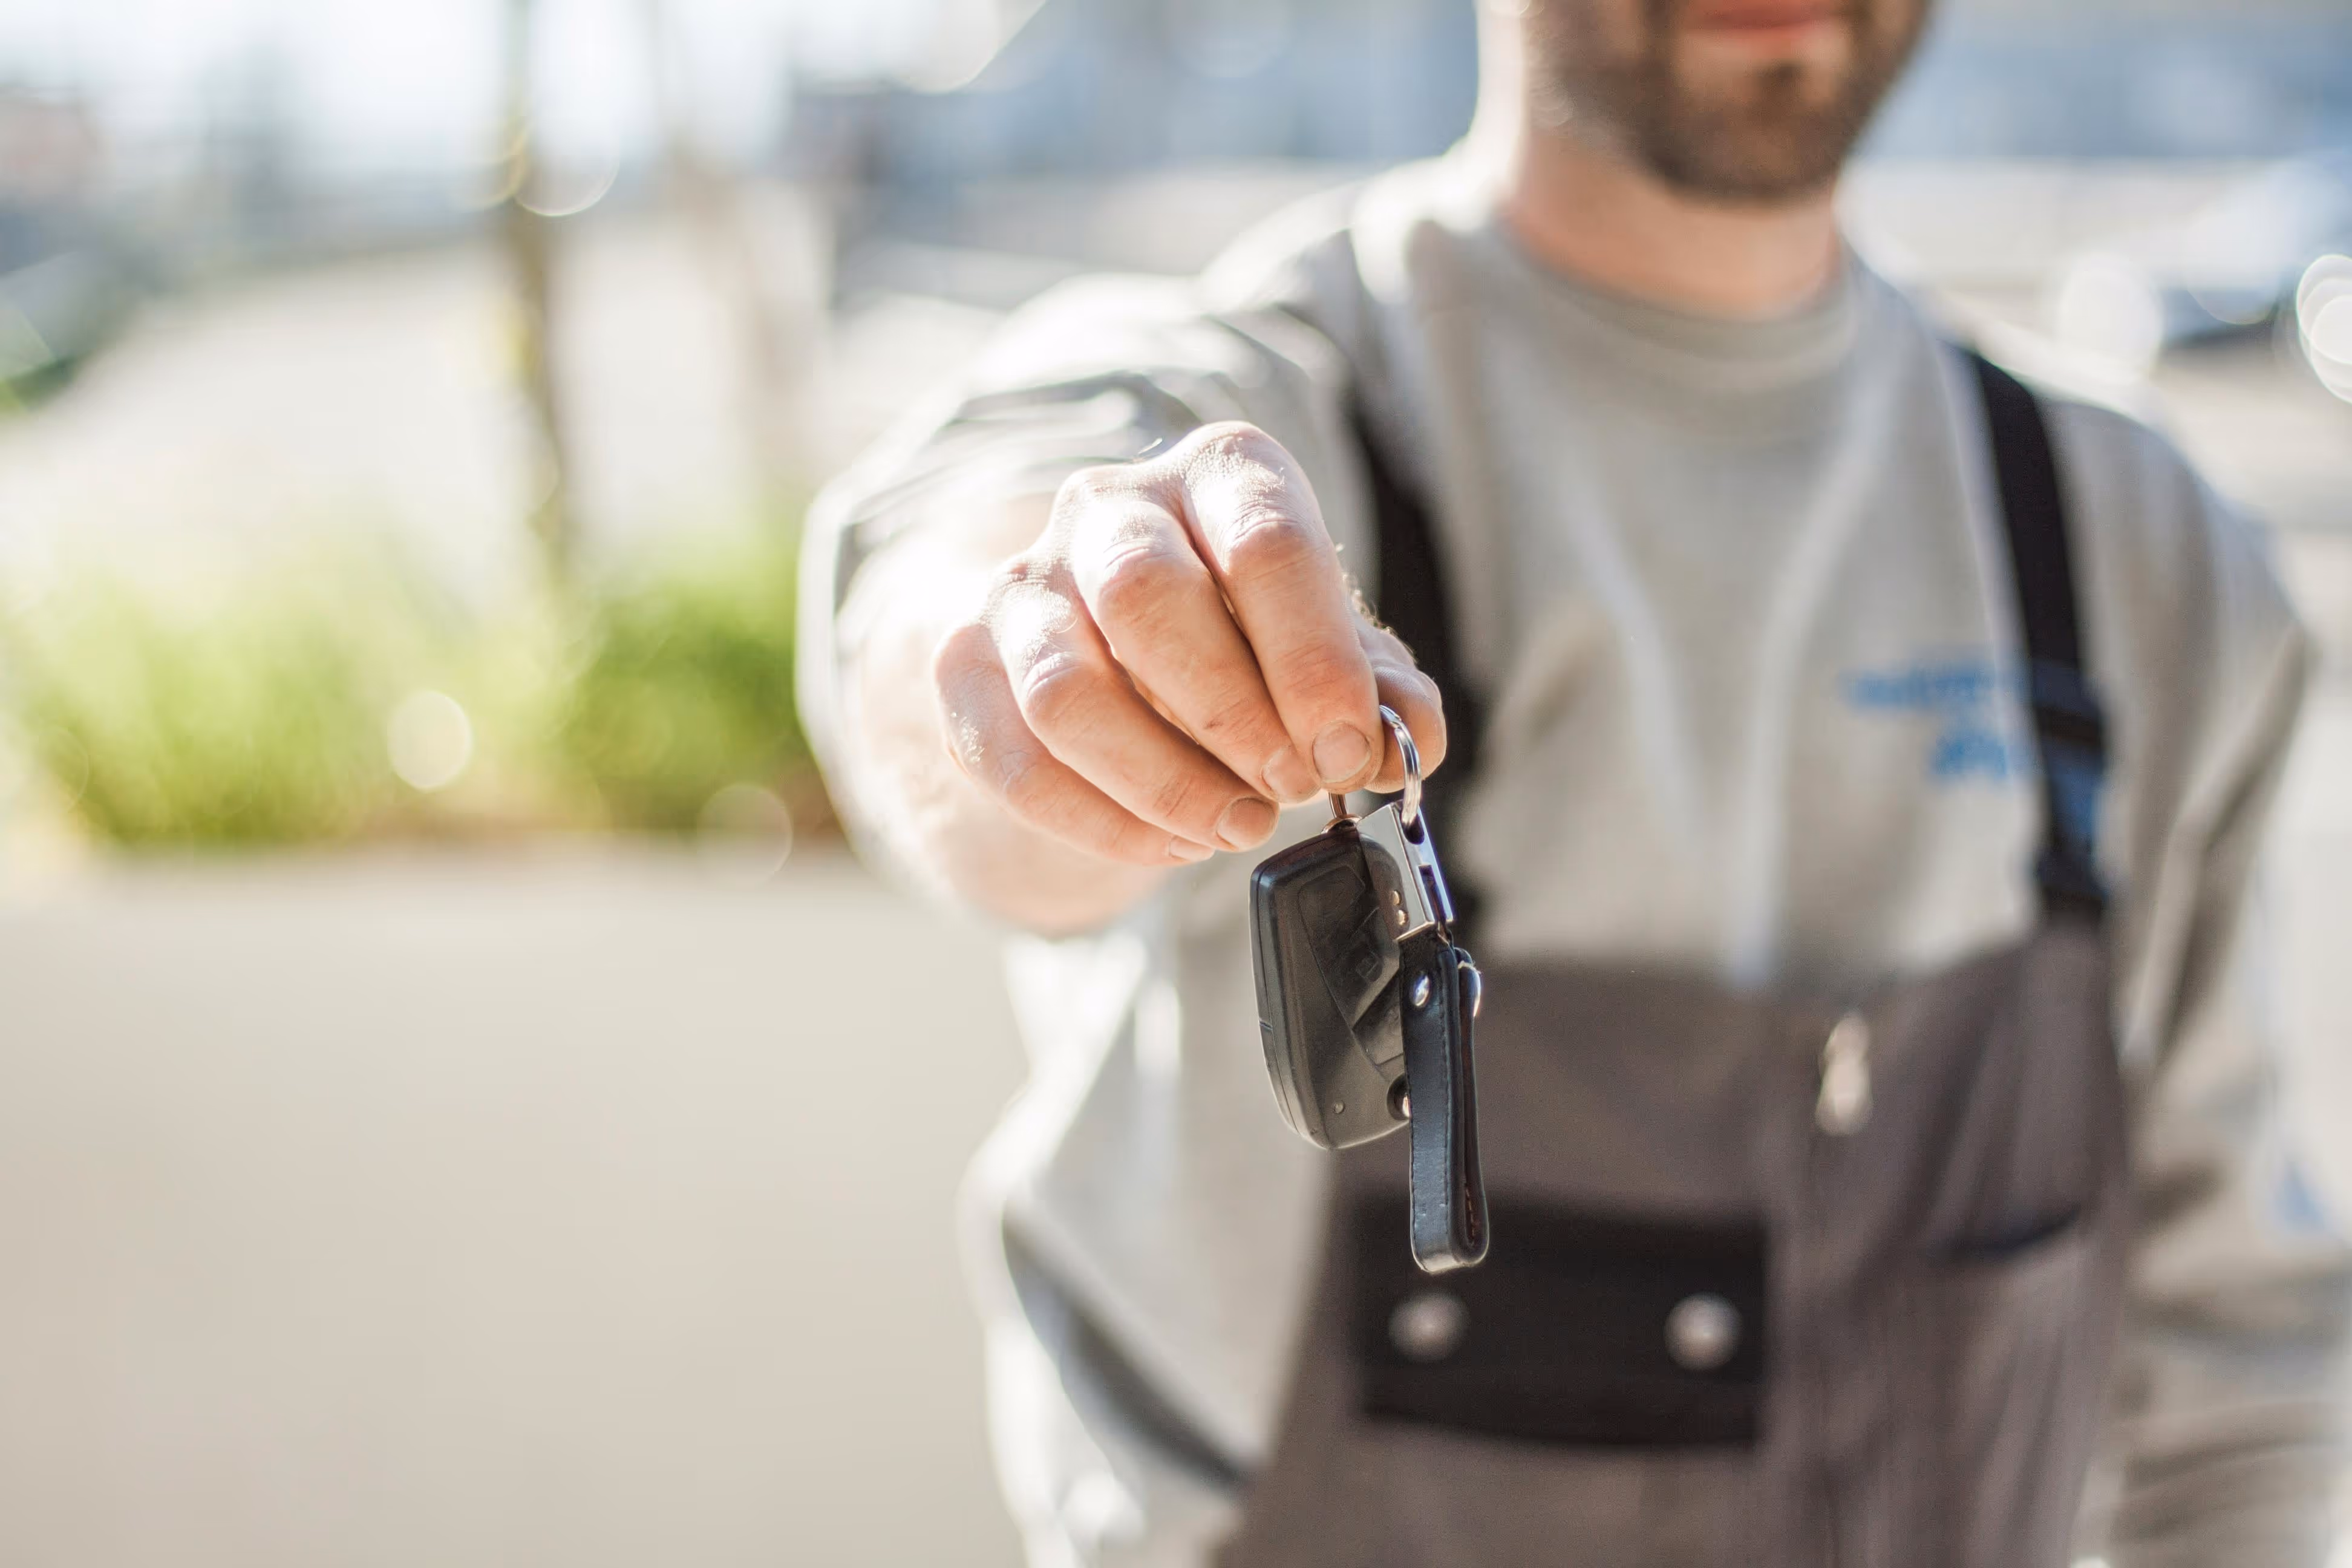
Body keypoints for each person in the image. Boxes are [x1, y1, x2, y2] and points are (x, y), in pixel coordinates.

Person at [797, 0, 2352, 1561]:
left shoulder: (2139, 554)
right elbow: (958, 620)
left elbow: (2233, 1385)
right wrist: (1066, 665)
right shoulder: (1268, 402)